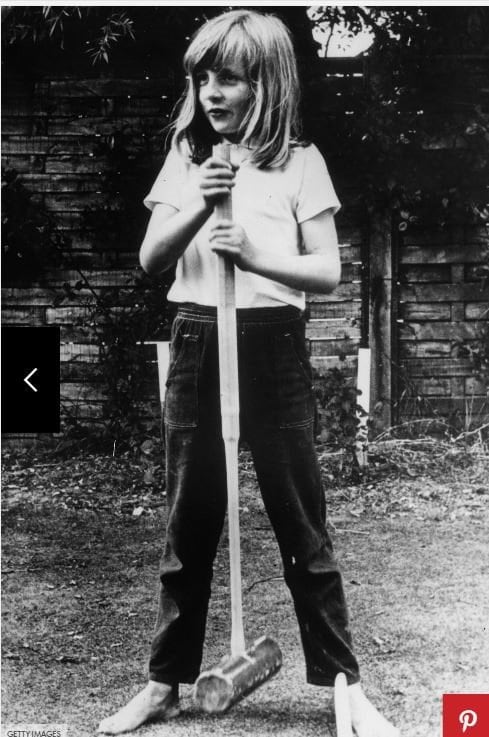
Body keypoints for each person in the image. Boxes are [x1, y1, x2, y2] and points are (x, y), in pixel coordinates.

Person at [98, 10, 399, 737]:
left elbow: (324, 270)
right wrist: (202, 201)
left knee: (302, 518)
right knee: (187, 522)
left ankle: (343, 688)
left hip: (271, 343)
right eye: (201, 77)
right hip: (199, 337)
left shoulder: (301, 161)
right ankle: (163, 681)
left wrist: (257, 256)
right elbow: (151, 259)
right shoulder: (188, 160)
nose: (210, 91)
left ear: (265, 83)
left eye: (226, 77)